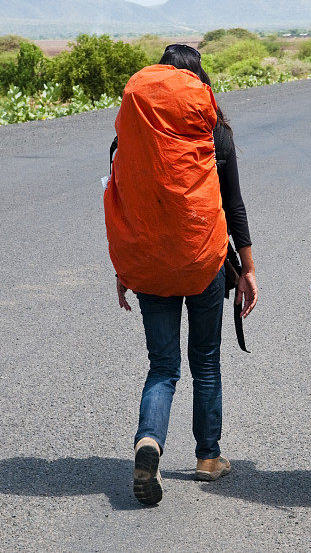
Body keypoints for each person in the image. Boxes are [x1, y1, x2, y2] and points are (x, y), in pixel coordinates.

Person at [105, 44, 258, 506]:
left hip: (149, 263)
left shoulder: (128, 135)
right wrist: (247, 267)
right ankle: (208, 458)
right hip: (204, 260)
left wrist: (123, 267)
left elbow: (122, 204)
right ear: (197, 82)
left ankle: (148, 441)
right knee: (205, 363)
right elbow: (233, 204)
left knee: (163, 367)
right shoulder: (214, 132)